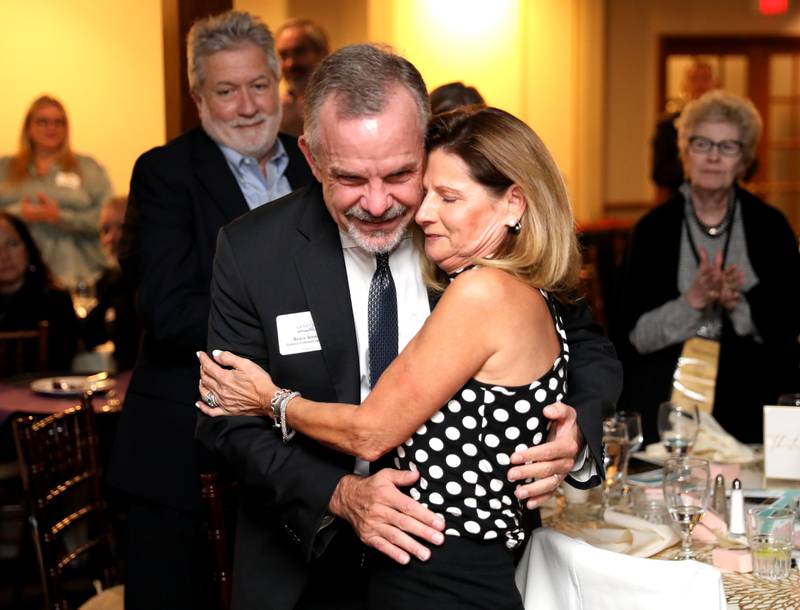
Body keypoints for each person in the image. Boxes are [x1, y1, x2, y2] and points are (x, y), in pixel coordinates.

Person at [195, 44, 621, 610]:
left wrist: (576, 435)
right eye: (349, 178)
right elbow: (227, 422)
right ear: (313, 157)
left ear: (424, 148)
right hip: (306, 556)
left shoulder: (466, 230)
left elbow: (586, 344)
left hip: (460, 562)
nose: (378, 203)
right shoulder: (254, 251)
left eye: (400, 174)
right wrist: (340, 494)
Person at [105, 10, 314, 610]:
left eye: (258, 85)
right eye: (227, 91)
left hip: (296, 443)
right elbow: (168, 312)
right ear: (199, 97)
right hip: (182, 450)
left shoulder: (312, 166)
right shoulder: (165, 173)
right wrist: (294, 328)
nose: (248, 106)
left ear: (280, 84)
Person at [617, 90, 800, 444]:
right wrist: (694, 300)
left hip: (754, 408)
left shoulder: (770, 225)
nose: (714, 156)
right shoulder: (652, 230)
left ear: (743, 159)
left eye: (728, 147)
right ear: (685, 151)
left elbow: (788, 328)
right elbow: (633, 337)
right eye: (702, 144)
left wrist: (739, 305)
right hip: (666, 409)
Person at [0, 95, 111, 289]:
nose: (51, 128)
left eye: (58, 122)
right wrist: (18, 214)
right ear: (28, 127)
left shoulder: (88, 168)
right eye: (43, 122)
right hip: (16, 284)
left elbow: (107, 221)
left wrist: (60, 217)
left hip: (80, 278)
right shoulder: (4, 168)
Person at [0, 211, 78, 373]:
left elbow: (62, 365)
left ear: (27, 250)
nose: (4, 255)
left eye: (13, 244)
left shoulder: (56, 301)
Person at [81, 197, 141, 370]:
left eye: (122, 227)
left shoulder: (156, 282)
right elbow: (91, 335)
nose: (112, 238)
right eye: (105, 230)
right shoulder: (110, 281)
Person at [651, 60, 717, 200]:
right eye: (694, 79)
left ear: (715, 85)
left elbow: (748, 166)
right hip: (682, 203)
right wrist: (692, 164)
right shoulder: (667, 126)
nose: (700, 85)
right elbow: (659, 174)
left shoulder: (729, 123)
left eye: (705, 78)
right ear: (684, 86)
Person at [275, 18, 329, 136]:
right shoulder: (274, 110)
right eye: (283, 55)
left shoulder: (344, 102)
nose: (290, 63)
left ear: (323, 53)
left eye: (299, 51)